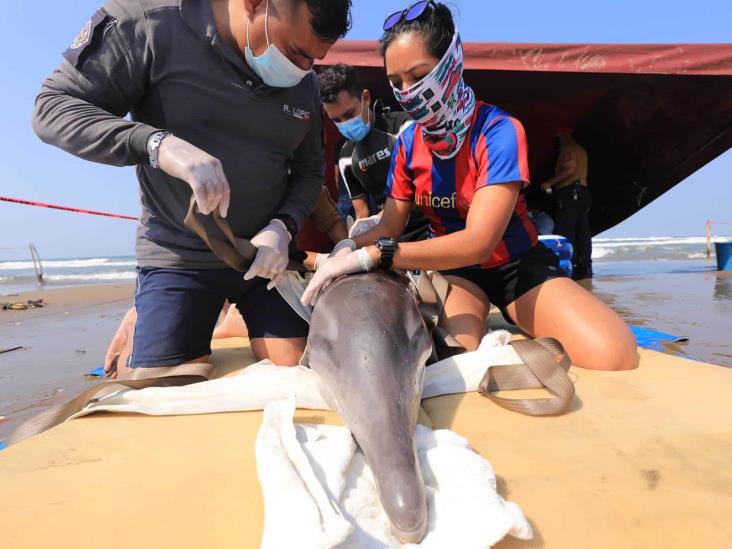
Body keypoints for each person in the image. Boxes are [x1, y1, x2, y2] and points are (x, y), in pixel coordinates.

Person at [301, 1, 637, 372]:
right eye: (397, 82)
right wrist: (348, 247)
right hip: (456, 273)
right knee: (452, 360)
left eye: (418, 75)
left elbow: (481, 241)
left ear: (451, 62)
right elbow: (389, 227)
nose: (408, 91)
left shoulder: (498, 131)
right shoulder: (409, 143)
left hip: (515, 265)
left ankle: (525, 314)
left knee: (615, 354)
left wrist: (377, 256)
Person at [34, 0, 352, 376]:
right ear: (254, 4)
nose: (303, 70)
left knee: (301, 368)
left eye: (313, 60)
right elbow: (53, 108)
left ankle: (220, 316)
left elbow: (309, 172)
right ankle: (151, 313)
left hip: (266, 263)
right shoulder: (147, 21)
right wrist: (156, 144)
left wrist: (284, 226)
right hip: (179, 258)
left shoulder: (306, 83)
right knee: (168, 386)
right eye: (297, 53)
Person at [318, 63, 430, 241]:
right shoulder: (346, 157)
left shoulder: (404, 128)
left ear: (366, 98)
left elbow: (426, 190)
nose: (344, 123)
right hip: (391, 242)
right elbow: (362, 213)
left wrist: (380, 218)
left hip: (429, 231)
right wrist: (359, 232)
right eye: (336, 120)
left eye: (349, 113)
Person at [540, 129, 593, 279]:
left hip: (570, 193)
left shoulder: (568, 150)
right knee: (583, 231)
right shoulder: (581, 150)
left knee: (566, 230)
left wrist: (549, 182)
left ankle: (568, 266)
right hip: (583, 192)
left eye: (557, 138)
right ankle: (586, 266)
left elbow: (570, 169)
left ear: (564, 137)